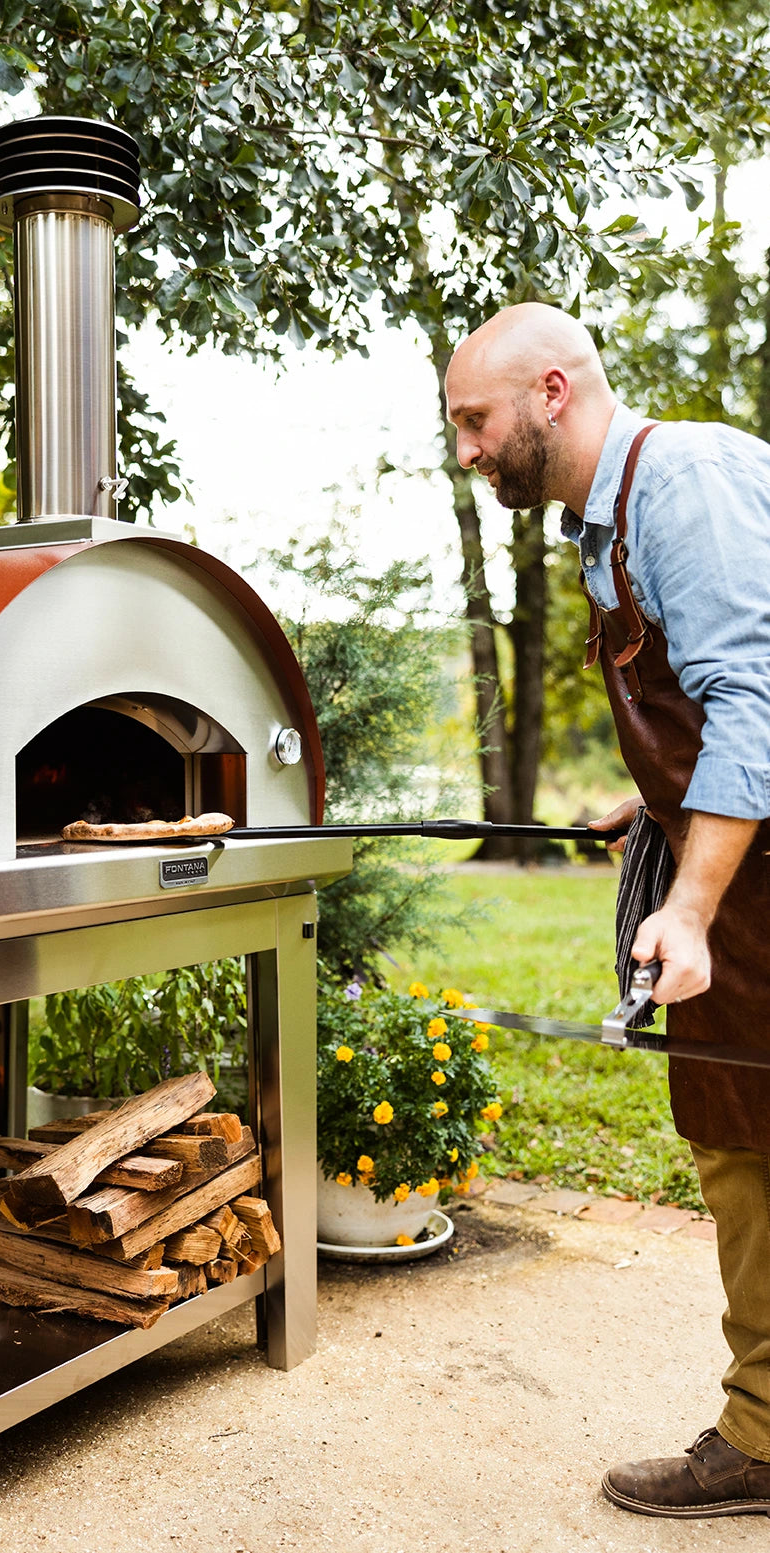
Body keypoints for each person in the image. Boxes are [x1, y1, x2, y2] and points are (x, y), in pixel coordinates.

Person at [444, 301, 770, 1518]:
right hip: (741, 865)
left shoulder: (679, 482)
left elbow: (753, 704)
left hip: (750, 889)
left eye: (476, 420)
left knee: (751, 1145)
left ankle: (764, 1437)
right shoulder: (608, 520)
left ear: (554, 394)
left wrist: (686, 909)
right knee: (741, 1137)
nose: (467, 449)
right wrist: (655, 810)